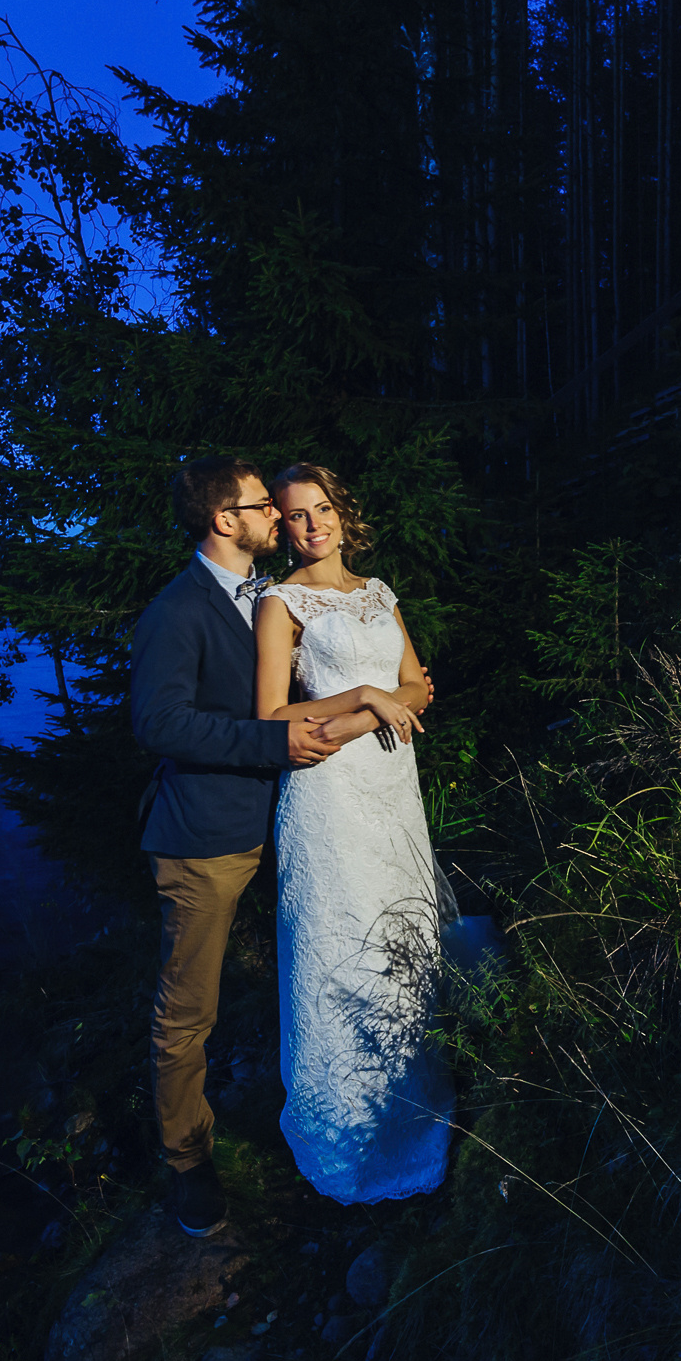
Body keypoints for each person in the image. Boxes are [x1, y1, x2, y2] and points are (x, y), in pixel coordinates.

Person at [126, 456, 370, 1237]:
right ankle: (187, 1162)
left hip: (296, 817)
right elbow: (157, 724)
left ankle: (330, 1104)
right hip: (205, 838)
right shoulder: (177, 609)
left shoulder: (268, 595)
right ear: (223, 520)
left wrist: (384, 690)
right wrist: (271, 745)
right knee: (187, 1009)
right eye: (263, 505)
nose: (279, 516)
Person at [252, 463, 456, 1203]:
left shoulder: (377, 595)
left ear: (342, 511)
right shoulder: (281, 603)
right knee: (343, 944)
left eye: (322, 509)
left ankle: (411, 1112)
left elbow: (416, 684)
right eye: (297, 516)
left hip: (391, 784)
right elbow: (273, 715)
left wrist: (374, 707)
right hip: (328, 796)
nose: (313, 526)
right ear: (284, 527)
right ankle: (346, 1137)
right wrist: (364, 697)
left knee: (402, 933)